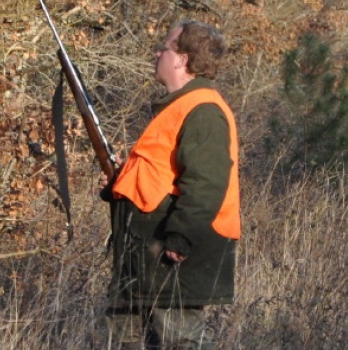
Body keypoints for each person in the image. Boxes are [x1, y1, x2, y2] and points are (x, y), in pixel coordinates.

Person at [101, 20, 239, 350]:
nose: (157, 54)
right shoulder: (178, 107)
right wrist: (122, 183)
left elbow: (206, 182)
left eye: (163, 48)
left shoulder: (203, 111)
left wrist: (180, 238)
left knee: (181, 341)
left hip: (170, 253)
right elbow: (160, 176)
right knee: (124, 339)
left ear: (182, 59)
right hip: (143, 251)